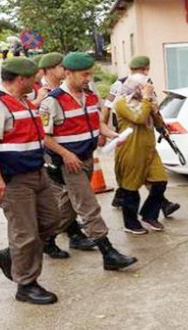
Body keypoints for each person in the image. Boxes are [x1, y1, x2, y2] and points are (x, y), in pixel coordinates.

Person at [40, 52, 137, 270]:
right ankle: (108, 252)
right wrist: (66, 154)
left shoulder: (91, 96)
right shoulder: (52, 101)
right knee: (88, 205)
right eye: (84, 75)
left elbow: (97, 124)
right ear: (68, 73)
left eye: (90, 74)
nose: (88, 78)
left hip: (86, 158)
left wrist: (112, 135)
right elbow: (44, 136)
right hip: (69, 162)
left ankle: (45, 239)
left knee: (68, 208)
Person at [0, 58, 60, 304]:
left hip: (37, 172)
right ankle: (26, 285)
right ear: (21, 79)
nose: (37, 82)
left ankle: (11, 255)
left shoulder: (23, 100)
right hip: (13, 179)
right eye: (34, 78)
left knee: (52, 220)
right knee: (25, 234)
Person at [104, 56, 180, 218]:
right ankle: (135, 203)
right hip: (126, 134)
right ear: (146, 68)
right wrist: (103, 131)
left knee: (148, 174)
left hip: (144, 133)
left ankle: (152, 203)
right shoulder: (120, 84)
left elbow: (153, 108)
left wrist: (161, 128)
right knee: (134, 175)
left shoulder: (146, 83)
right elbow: (108, 107)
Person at [112, 74, 170, 234]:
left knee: (160, 182)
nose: (147, 89)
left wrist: (155, 109)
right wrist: (146, 99)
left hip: (149, 151)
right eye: (144, 86)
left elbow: (156, 121)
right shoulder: (121, 102)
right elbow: (139, 117)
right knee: (130, 189)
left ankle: (149, 215)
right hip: (131, 150)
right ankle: (130, 223)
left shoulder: (146, 102)